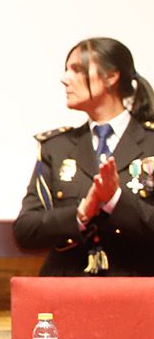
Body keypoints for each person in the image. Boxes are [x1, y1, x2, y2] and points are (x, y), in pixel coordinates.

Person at [13, 37, 154, 275]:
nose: (65, 79)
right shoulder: (56, 147)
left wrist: (115, 201)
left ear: (111, 76)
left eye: (77, 69)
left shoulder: (150, 142)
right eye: (66, 70)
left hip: (138, 289)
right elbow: (26, 231)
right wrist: (81, 213)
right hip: (69, 288)